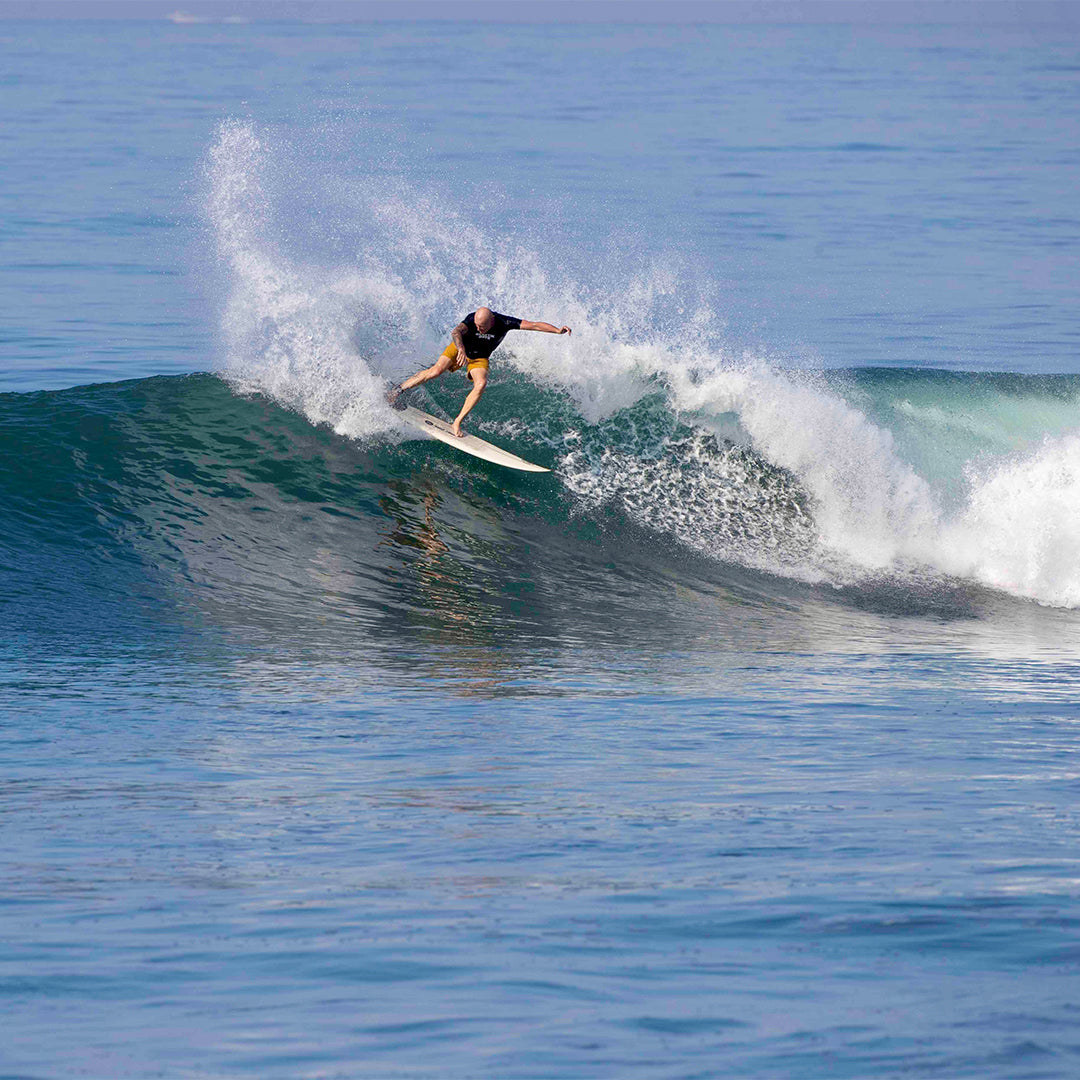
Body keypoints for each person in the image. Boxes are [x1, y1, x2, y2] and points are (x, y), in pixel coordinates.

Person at [387, 306, 572, 437]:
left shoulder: (503, 322)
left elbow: (534, 325)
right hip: (460, 350)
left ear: (492, 320)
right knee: (435, 371)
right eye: (476, 325)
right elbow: (456, 332)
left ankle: (457, 421)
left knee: (481, 384)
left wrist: (556, 330)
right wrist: (460, 349)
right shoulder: (471, 319)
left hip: (479, 358)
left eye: (481, 326)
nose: (477, 328)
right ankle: (398, 390)